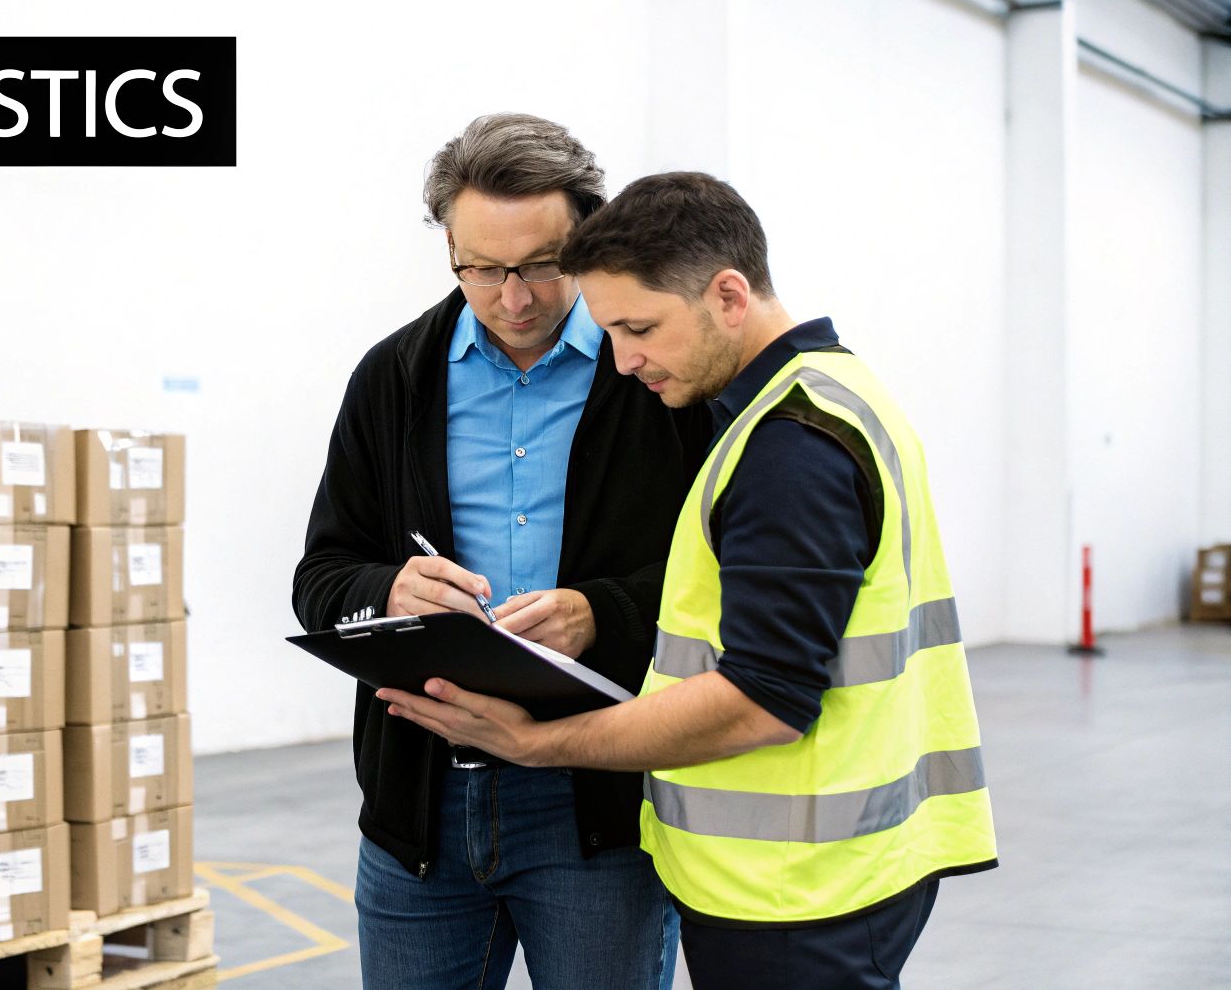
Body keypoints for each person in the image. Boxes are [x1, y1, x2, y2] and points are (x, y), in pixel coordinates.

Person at [377, 171, 999, 990]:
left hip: (794, 891)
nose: (625, 361)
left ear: (729, 295)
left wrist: (537, 744)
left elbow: (763, 699)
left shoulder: (787, 448)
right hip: (837, 867)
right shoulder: (835, 392)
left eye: (640, 328)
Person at [292, 115, 712, 989]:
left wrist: (603, 612)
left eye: (543, 265)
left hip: (595, 802)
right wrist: (389, 590)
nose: (513, 298)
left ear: (589, 238)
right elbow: (321, 578)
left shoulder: (660, 382)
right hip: (422, 807)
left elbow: (721, 575)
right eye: (482, 269)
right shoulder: (392, 378)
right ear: (448, 246)